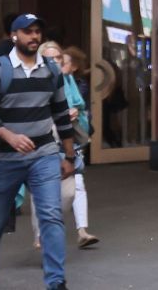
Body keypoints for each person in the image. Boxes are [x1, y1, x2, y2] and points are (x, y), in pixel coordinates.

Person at [0, 14, 78, 290]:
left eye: (37, 32)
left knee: (51, 215)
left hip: (43, 155)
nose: (33, 36)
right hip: (1, 158)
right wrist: (9, 135)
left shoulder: (51, 71)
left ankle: (56, 282)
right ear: (13, 36)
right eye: (27, 32)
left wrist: (69, 156)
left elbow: (60, 115)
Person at [29, 43, 101, 253]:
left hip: (69, 140)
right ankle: (42, 234)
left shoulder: (68, 81)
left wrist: (74, 113)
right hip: (43, 140)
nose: (54, 62)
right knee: (40, 189)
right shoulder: (33, 81)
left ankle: (80, 230)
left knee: (73, 189)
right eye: (49, 58)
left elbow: (79, 104)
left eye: (58, 58)